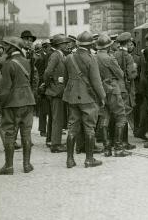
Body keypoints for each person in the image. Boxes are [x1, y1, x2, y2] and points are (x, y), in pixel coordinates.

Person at [62, 31, 106, 168]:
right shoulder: (91, 58)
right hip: (87, 97)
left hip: (72, 96)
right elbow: (96, 81)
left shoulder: (69, 58)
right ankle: (89, 159)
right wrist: (102, 97)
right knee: (89, 127)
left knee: (72, 127)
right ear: (90, 44)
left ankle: (69, 159)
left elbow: (65, 78)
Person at [0, 36, 36, 175]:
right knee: (26, 133)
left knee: (10, 134)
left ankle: (9, 166)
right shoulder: (26, 61)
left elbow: (5, 88)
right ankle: (26, 164)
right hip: (28, 100)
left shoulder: (8, 63)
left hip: (13, 103)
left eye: (7, 46)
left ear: (13, 47)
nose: (4, 48)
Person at [95, 34, 131, 157]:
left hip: (101, 90)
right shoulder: (109, 58)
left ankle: (106, 148)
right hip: (113, 89)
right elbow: (120, 74)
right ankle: (118, 148)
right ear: (108, 46)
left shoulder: (94, 57)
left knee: (105, 118)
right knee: (121, 117)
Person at [43, 34, 69, 153]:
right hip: (56, 91)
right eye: (64, 43)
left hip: (58, 91)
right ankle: (55, 144)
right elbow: (47, 72)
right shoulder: (55, 55)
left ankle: (55, 141)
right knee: (57, 118)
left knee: (58, 117)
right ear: (59, 45)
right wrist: (50, 85)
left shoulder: (60, 55)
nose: (67, 45)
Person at [113, 31, 138, 150]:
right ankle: (124, 142)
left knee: (117, 114)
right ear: (128, 42)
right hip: (125, 89)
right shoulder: (128, 56)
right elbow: (131, 75)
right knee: (125, 114)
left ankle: (116, 141)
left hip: (115, 87)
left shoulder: (114, 54)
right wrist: (135, 69)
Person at [36, 39, 53, 145]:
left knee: (47, 108)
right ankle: (42, 129)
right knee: (43, 109)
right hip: (43, 85)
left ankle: (44, 130)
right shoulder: (42, 57)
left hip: (44, 84)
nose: (49, 47)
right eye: (48, 46)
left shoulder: (46, 55)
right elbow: (41, 73)